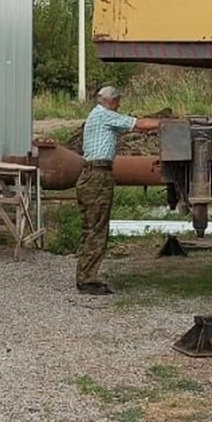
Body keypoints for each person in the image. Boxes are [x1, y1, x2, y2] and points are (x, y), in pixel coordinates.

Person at [76, 85, 160, 295]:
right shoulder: (105, 115)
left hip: (93, 174)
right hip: (98, 175)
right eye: (118, 101)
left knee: (92, 227)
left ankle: (86, 274)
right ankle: (87, 279)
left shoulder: (99, 115)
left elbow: (134, 127)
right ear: (111, 101)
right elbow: (138, 124)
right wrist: (168, 124)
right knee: (97, 229)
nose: (120, 104)